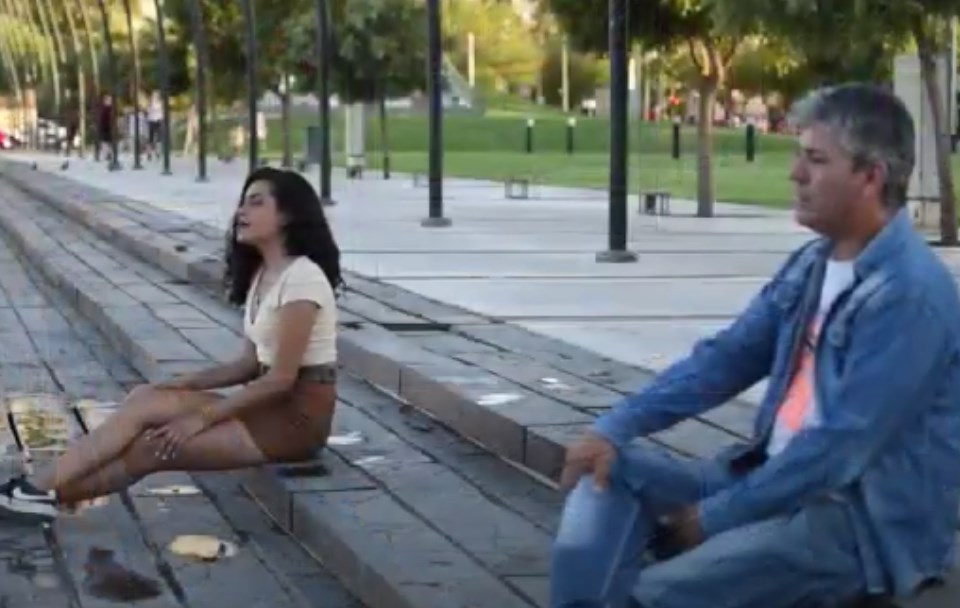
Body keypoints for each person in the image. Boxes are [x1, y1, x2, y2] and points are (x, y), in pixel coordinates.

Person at [550, 83, 960, 608]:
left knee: (656, 595)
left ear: (871, 176)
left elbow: (838, 449)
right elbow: (726, 359)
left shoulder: (908, 295)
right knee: (608, 470)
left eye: (815, 160)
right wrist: (614, 426)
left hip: (854, 526)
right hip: (768, 484)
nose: (795, 173)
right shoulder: (812, 265)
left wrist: (714, 518)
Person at [0, 167, 342, 521]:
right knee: (145, 399)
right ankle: (31, 491)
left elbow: (280, 379)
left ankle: (35, 494)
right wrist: (179, 385)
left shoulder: (302, 279)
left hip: (295, 423)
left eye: (256, 203)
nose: (241, 211)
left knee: (153, 446)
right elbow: (249, 365)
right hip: (265, 408)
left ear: (288, 215)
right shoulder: (264, 275)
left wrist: (199, 419)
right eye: (242, 203)